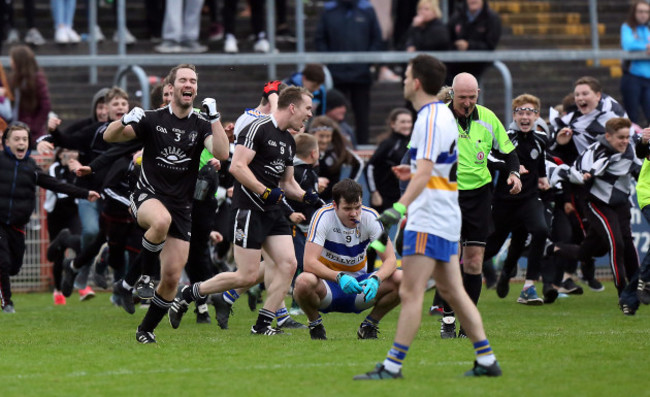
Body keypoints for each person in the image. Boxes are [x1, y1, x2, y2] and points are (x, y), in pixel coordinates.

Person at [353, 54, 501, 380]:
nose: (404, 80)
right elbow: (437, 169)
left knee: (410, 293)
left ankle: (391, 367)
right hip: (444, 215)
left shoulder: (431, 118)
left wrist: (398, 208)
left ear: (416, 82)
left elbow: (426, 174)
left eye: (406, 75)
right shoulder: (435, 116)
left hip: (430, 217)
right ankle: (487, 360)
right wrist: (411, 173)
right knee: (453, 292)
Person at [171, 86, 316, 336]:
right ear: (292, 107)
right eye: (307, 109)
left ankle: (262, 325)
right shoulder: (258, 128)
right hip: (250, 209)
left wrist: (308, 196)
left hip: (272, 211)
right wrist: (263, 190)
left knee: (289, 264)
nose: (310, 114)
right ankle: (189, 293)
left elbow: (287, 184)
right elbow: (237, 166)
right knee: (247, 276)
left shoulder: (289, 141)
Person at [102, 63, 230, 343]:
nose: (189, 85)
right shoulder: (151, 118)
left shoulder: (201, 123)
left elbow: (222, 152)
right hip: (147, 196)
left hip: (181, 207)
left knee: (172, 278)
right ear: (170, 88)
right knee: (160, 221)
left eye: (193, 81)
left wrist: (215, 118)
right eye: (183, 80)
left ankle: (145, 330)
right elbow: (108, 137)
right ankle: (143, 278)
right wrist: (123, 120)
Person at [435, 71, 520, 338]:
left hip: (480, 195)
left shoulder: (488, 117)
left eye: (472, 97)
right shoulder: (437, 118)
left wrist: (514, 173)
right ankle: (448, 317)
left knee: (473, 262)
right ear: (452, 94)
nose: (467, 102)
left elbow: (508, 152)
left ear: (478, 95)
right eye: (462, 97)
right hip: (446, 194)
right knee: (449, 260)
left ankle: (466, 323)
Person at [0, 123, 100, 313]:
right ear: (7, 142)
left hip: (18, 225)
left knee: (13, 268)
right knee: (2, 263)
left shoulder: (32, 168)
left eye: (24, 139)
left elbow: (57, 185)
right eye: (16, 139)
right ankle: (7, 303)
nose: (21, 143)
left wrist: (85, 193)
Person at [547, 117, 642, 315]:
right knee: (617, 244)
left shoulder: (632, 149)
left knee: (591, 250)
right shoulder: (595, 151)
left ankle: (555, 248)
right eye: (620, 138)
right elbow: (579, 173)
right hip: (597, 204)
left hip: (621, 203)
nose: (625, 141)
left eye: (627, 137)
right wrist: (586, 176)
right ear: (608, 136)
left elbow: (639, 170)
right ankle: (624, 294)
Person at [294, 178, 401, 340]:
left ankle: (369, 326)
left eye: (357, 207)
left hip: (360, 289)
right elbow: (309, 263)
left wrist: (376, 279)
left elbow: (391, 260)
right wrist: (339, 277)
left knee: (404, 278)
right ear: (335, 206)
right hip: (327, 288)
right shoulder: (323, 216)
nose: (354, 213)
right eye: (347, 208)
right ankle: (315, 324)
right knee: (303, 281)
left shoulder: (371, 217)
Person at [485, 94, 554, 305]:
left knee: (541, 231)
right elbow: (488, 157)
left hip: (529, 199)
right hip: (504, 201)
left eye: (529, 113)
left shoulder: (541, 139)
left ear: (537, 116)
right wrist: (510, 167)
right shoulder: (504, 137)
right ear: (514, 115)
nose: (525, 117)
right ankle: (453, 287)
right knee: (492, 248)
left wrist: (542, 178)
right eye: (520, 112)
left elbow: (540, 160)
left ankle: (529, 286)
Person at [315, 0, 383, 145]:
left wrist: (367, 63)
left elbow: (377, 38)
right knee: (336, 117)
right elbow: (320, 39)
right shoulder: (329, 10)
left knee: (362, 117)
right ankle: (336, 147)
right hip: (336, 76)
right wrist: (330, 62)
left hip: (361, 75)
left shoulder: (367, 9)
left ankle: (363, 149)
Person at [365, 108, 412, 213]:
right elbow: (369, 167)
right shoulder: (388, 144)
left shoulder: (412, 143)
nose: (407, 125)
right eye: (402, 122)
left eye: (409, 122)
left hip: (402, 198)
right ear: (393, 124)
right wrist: (374, 192)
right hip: (383, 199)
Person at [309, 115, 363, 203]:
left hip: (331, 200)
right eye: (321, 136)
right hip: (309, 198)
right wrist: (313, 181)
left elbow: (359, 163)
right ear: (312, 134)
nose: (324, 140)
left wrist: (349, 185)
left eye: (328, 136)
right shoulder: (304, 149)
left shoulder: (337, 150)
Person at [446, 0, 501, 84]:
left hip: (478, 66)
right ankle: (450, 97)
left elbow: (490, 45)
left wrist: (469, 46)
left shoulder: (492, 18)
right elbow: (447, 37)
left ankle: (472, 96)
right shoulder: (457, 16)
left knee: (470, 88)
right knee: (449, 89)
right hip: (456, 65)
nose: (473, 0)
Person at [9, 45, 52, 142]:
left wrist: (34, 127)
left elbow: (46, 105)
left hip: (31, 132)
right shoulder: (14, 79)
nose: (10, 62)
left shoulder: (36, 79)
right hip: (15, 127)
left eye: (12, 59)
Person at [620, 1, 650, 125]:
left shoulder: (648, 28)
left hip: (648, 79)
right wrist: (646, 46)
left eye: (647, 12)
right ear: (634, 13)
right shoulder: (627, 27)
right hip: (633, 77)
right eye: (640, 11)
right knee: (632, 117)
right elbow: (628, 44)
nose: (644, 15)